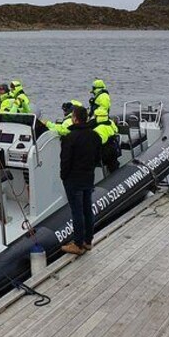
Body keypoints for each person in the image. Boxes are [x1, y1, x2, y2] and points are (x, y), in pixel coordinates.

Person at [59, 106, 100, 255]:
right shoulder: (95, 136)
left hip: (73, 180)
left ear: (75, 118)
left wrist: (64, 176)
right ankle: (88, 241)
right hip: (88, 177)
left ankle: (77, 244)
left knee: (77, 212)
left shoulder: (69, 138)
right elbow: (97, 158)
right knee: (87, 209)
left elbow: (65, 160)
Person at [93, 106, 121, 173]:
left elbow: (98, 142)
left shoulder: (97, 129)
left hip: (104, 154)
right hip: (113, 149)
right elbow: (116, 130)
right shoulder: (110, 123)